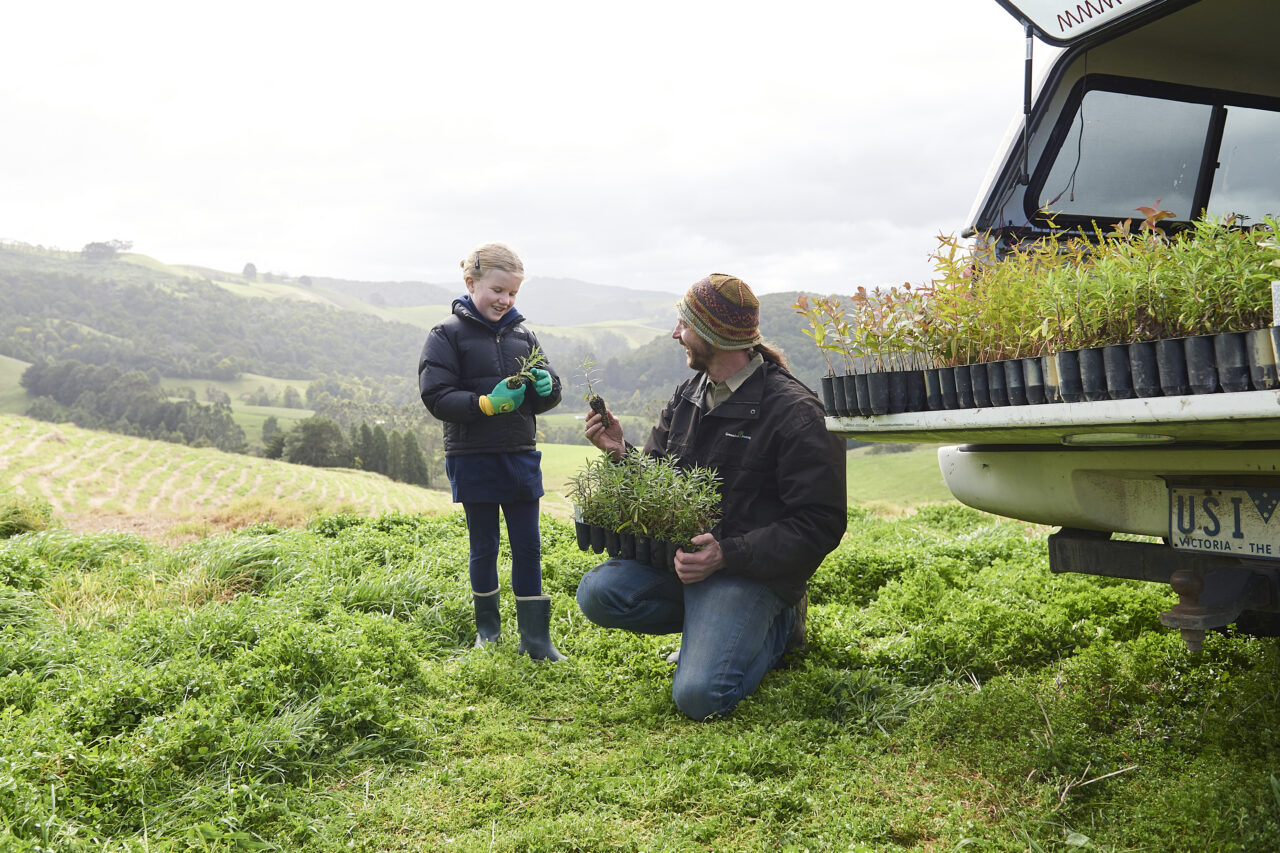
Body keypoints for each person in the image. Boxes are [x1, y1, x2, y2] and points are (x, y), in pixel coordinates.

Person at [576, 273, 847, 719]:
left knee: (701, 697)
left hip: (751, 574)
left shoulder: (796, 413)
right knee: (598, 593)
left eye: (683, 325)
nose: (675, 334)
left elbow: (820, 523)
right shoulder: (688, 397)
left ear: (713, 336)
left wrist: (726, 555)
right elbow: (659, 485)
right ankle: (714, 628)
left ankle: (779, 627)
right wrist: (620, 454)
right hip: (684, 568)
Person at [418, 242, 566, 661]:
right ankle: (489, 633)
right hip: (473, 458)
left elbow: (547, 386)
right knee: (484, 546)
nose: (505, 300)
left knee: (529, 545)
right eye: (498, 290)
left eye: (513, 293)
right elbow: (436, 396)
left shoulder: (524, 334)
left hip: (520, 455)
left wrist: (548, 388)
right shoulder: (446, 334)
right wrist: (482, 404)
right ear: (471, 283)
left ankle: (536, 641)